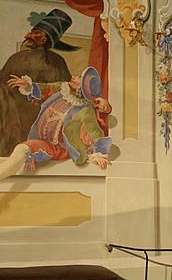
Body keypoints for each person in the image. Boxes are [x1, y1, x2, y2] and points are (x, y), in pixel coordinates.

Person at [0, 67, 112, 180]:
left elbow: (95, 132)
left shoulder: (85, 110)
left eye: (78, 78)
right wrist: (29, 86)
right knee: (21, 149)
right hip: (41, 139)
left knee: (22, 149)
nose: (73, 77)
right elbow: (46, 88)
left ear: (82, 88)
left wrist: (99, 154)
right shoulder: (62, 89)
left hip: (58, 147)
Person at [0, 9, 76, 156]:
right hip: (17, 116)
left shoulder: (55, 62)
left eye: (36, 34)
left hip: (37, 119)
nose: (26, 36)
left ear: (44, 39)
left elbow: (64, 91)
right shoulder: (20, 58)